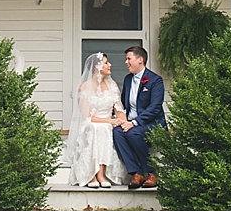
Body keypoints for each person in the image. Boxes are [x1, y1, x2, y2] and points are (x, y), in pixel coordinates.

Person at [63, 52, 128, 188]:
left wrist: (122, 121)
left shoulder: (112, 85)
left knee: (105, 129)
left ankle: (101, 174)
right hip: (92, 122)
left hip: (108, 122)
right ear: (97, 67)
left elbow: (119, 109)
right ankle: (91, 174)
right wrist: (110, 121)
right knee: (96, 128)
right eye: (106, 62)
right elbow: (87, 116)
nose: (109, 65)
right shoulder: (84, 87)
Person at [112, 45, 166, 189]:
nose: (126, 62)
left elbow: (154, 108)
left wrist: (134, 123)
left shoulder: (155, 81)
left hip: (152, 123)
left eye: (129, 59)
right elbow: (123, 103)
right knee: (117, 132)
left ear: (140, 60)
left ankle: (150, 172)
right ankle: (136, 172)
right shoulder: (128, 80)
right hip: (131, 122)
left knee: (132, 132)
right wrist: (119, 119)